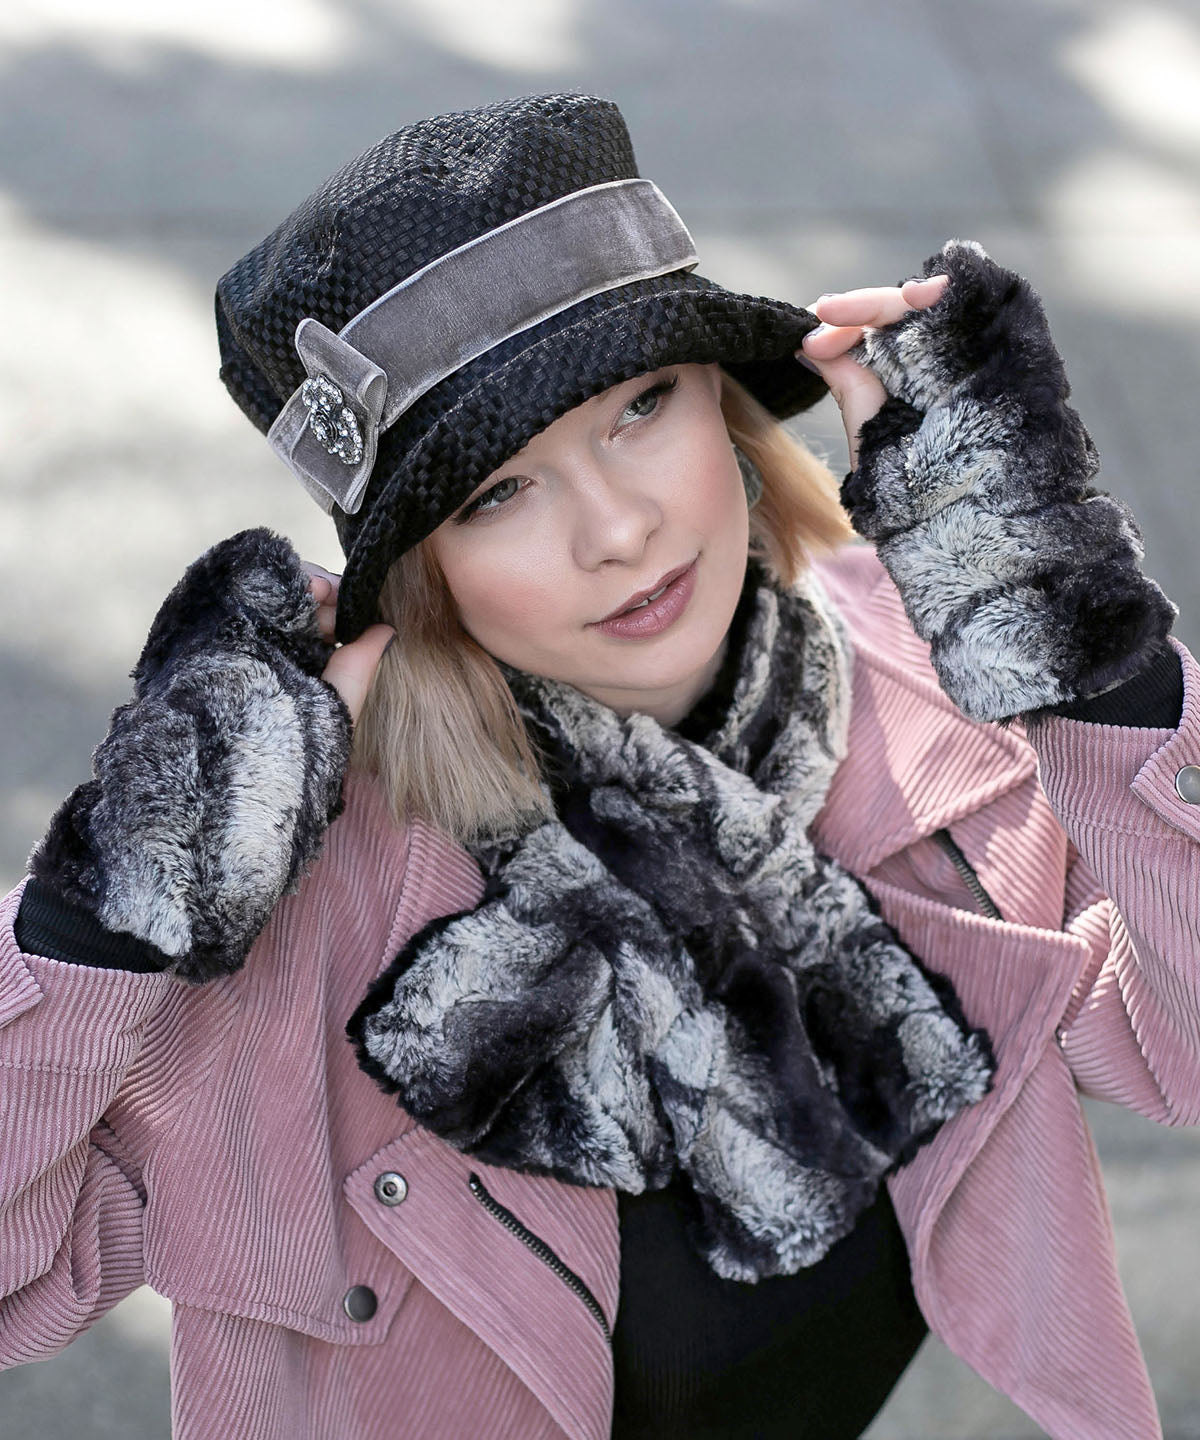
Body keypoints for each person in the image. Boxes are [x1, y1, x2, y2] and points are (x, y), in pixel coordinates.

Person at [0, 91, 1195, 1440]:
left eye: (640, 406)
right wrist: (105, 912)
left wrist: (1074, 637)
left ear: (723, 405)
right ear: (424, 572)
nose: (618, 529)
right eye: (497, 491)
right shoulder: (307, 899)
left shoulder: (932, 680)